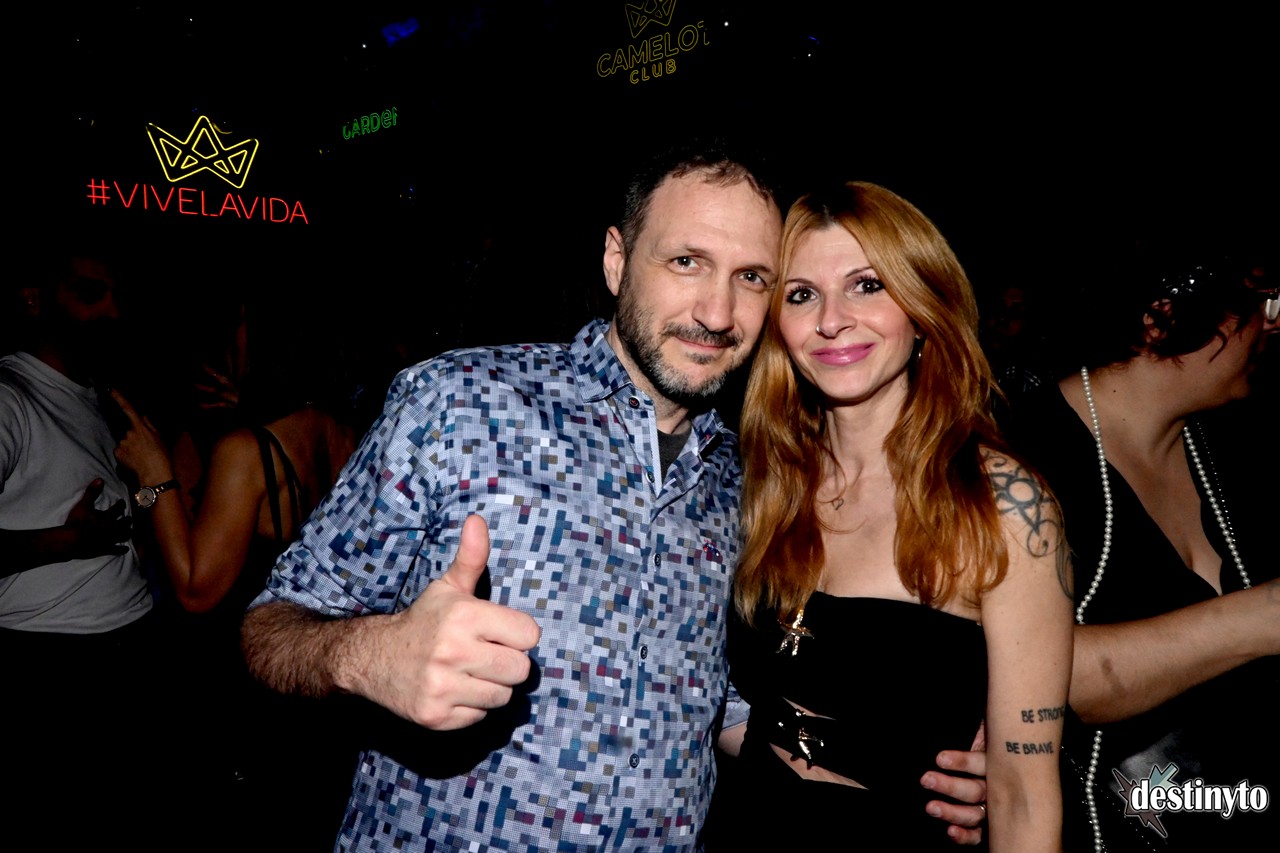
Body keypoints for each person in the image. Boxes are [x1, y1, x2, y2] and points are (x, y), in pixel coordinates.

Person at [239, 146, 989, 850]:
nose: (717, 312)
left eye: (752, 277)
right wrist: (369, 656)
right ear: (616, 260)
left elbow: (716, 701)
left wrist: (911, 763)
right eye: (687, 261)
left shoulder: (748, 479)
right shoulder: (460, 402)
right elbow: (270, 626)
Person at [723, 181, 1073, 851]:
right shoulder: (763, 481)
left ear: (922, 307)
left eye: (867, 286)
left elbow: (1026, 798)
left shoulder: (1001, 503)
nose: (832, 320)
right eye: (801, 295)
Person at [1001, 246, 1279, 851]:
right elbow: (1042, 675)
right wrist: (1260, 619)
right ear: (1162, 318)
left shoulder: (1238, 447)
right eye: (1264, 302)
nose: (1275, 324)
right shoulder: (1020, 460)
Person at [110, 296, 361, 849]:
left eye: (242, 326)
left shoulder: (247, 450)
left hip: (247, 688)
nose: (231, 342)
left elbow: (195, 590)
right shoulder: (347, 433)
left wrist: (152, 474)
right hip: (312, 682)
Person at [1, 253, 178, 845]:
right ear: (34, 300)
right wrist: (62, 541)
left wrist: (158, 489)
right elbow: (79, 532)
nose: (113, 311)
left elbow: (127, 512)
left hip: (128, 640)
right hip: (51, 666)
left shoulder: (97, 393)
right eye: (89, 293)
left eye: (116, 296)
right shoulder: (10, 398)